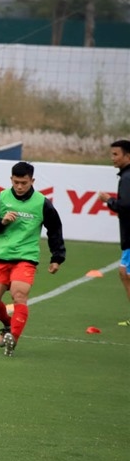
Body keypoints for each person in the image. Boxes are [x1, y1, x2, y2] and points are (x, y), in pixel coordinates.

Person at [0, 161, 66, 355]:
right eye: (16, 182)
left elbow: (54, 229)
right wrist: (1, 222)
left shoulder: (41, 202)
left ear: (32, 180)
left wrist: (57, 257)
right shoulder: (1, 198)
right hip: (0, 256)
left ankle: (14, 337)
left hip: (26, 257)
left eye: (24, 183)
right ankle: (8, 324)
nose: (19, 186)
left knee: (19, 295)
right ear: (11, 179)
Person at [98, 140, 130, 326]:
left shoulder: (127, 178)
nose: (112, 158)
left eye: (116, 154)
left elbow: (126, 206)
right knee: (124, 273)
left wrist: (108, 200)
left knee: (124, 273)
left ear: (127, 156)